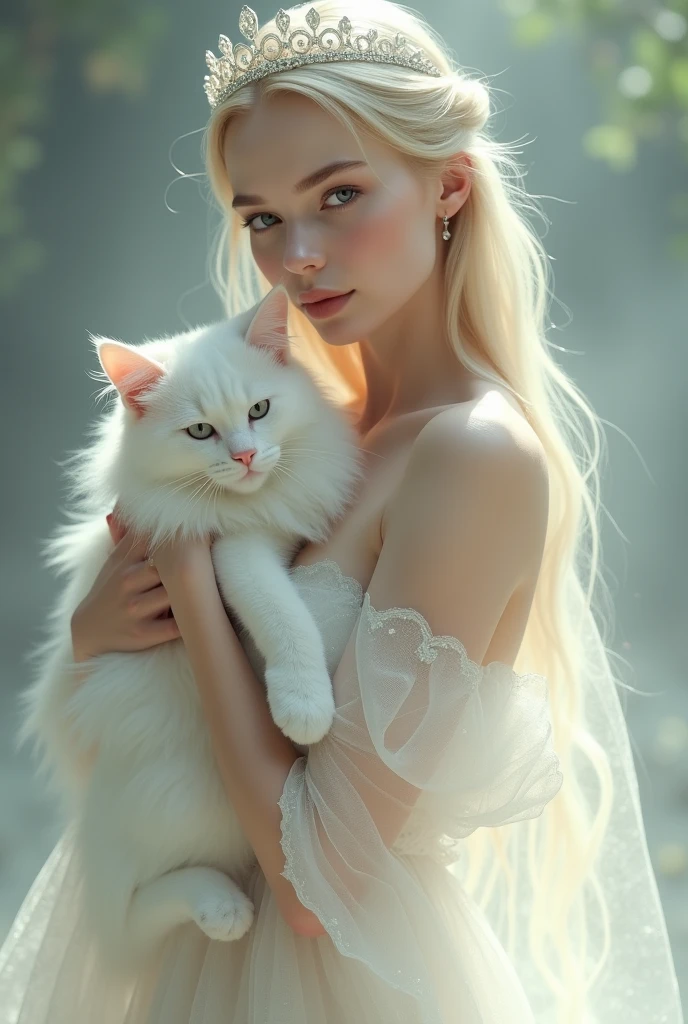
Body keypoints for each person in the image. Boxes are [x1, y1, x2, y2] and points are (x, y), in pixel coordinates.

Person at [0, 1, 683, 1021]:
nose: (297, 254)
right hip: (179, 945)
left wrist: (190, 574)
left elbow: (321, 885)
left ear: (447, 184)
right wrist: (103, 632)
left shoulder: (472, 452)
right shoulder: (315, 436)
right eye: (263, 216)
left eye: (339, 195)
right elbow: (131, 735)